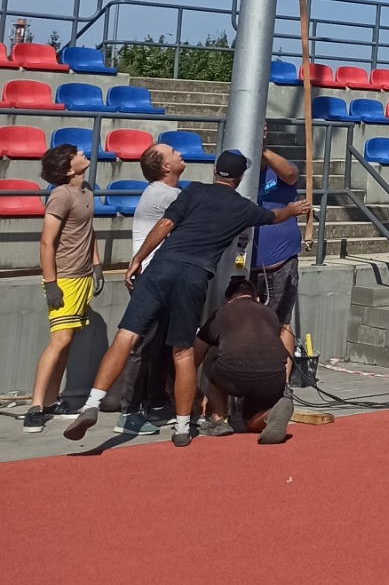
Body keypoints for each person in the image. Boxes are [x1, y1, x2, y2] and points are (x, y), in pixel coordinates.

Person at [62, 150, 307, 449]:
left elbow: (165, 226)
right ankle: (181, 427)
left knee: (126, 337)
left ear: (215, 171)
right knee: (183, 352)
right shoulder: (244, 208)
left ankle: (92, 403)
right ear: (241, 177)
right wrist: (293, 210)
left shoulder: (194, 191)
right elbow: (274, 216)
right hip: (194, 276)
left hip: (162, 266)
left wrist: (137, 259)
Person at [22, 144, 102, 436]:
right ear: (69, 168)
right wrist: (51, 282)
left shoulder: (87, 191)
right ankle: (35, 407)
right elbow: (46, 242)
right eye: (77, 154)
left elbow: (88, 230)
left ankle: (52, 401)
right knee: (60, 339)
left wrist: (96, 264)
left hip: (81, 277)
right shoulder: (60, 195)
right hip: (64, 278)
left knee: (67, 341)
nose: (84, 154)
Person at [111, 142, 189, 436]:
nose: (179, 152)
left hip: (162, 278)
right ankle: (128, 412)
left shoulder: (165, 193)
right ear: (165, 167)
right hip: (154, 280)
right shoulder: (166, 194)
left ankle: (156, 402)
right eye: (172, 152)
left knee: (159, 345)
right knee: (144, 346)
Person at [196, 275, 297, 443]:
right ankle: (269, 415)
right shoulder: (270, 313)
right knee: (249, 420)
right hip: (272, 379)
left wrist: (195, 396)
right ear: (256, 298)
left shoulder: (222, 313)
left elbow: (195, 355)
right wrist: (284, 382)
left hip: (234, 376)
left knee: (214, 352)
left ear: (228, 300)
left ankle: (219, 419)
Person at [250, 127, 302, 326]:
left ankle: (284, 359)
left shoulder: (280, 168)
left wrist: (262, 149)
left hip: (281, 260)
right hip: (246, 263)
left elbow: (290, 174)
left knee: (280, 322)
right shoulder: (241, 173)